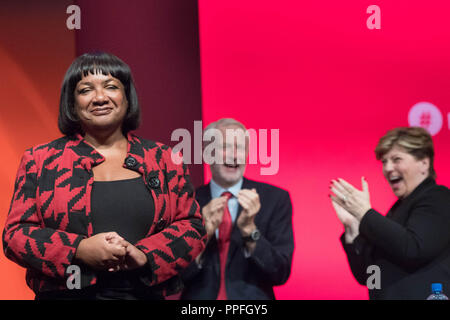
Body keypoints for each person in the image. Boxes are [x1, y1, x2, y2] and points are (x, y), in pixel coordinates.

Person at [2, 52, 206, 300]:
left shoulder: (165, 159)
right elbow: (15, 235)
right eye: (86, 90)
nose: (100, 98)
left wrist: (144, 254)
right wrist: (78, 249)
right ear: (72, 103)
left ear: (127, 98)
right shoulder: (40, 160)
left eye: (111, 87)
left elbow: (193, 227)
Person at [330, 126, 450, 300]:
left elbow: (413, 249)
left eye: (396, 159)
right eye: (384, 162)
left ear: (424, 163)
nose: (388, 168)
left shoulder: (438, 198)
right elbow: (369, 276)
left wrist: (365, 213)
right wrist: (353, 228)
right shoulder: (395, 212)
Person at [180, 118, 294, 300]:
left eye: (240, 148)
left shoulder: (275, 199)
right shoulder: (186, 202)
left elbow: (280, 273)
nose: (234, 156)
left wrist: (250, 230)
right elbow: (174, 277)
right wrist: (204, 233)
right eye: (225, 147)